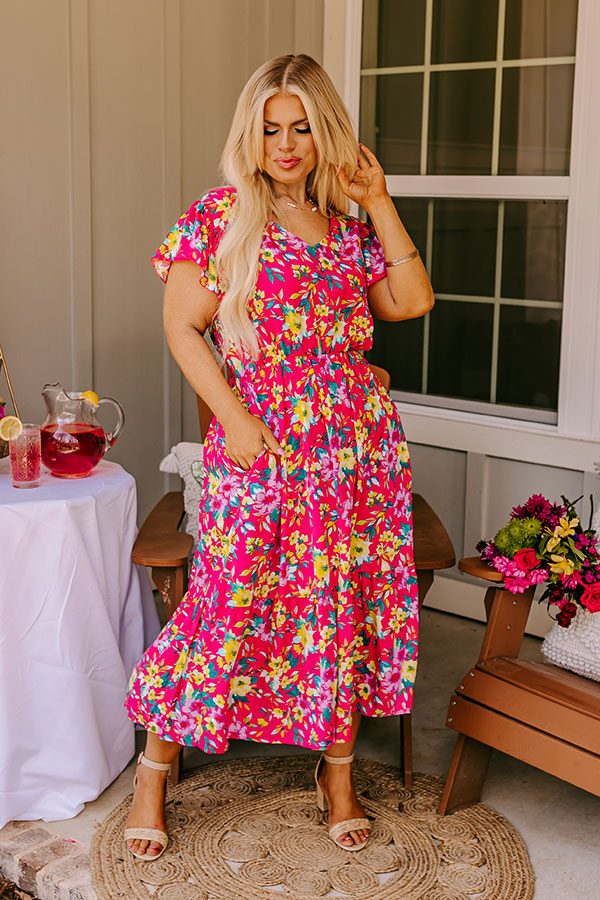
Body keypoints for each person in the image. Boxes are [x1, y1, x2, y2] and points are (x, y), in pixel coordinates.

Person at [124, 53, 434, 861]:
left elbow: (411, 300)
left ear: (325, 133)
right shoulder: (222, 216)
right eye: (270, 129)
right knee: (223, 605)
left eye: (301, 128)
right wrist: (233, 419)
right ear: (250, 136)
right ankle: (153, 774)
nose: (286, 145)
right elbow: (182, 326)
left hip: (356, 455)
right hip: (260, 447)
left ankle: (338, 777)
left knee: (343, 608)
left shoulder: (348, 230)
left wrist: (378, 199)